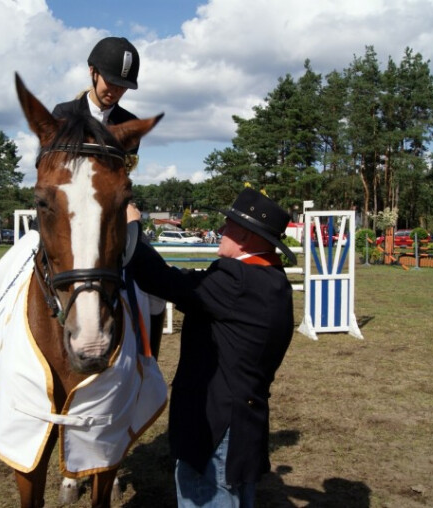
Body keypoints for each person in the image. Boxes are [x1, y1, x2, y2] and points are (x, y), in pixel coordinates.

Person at [125, 188, 295, 507]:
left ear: (245, 234)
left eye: (228, 225)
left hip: (215, 430)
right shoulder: (271, 279)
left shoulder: (237, 281)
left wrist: (132, 227)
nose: (220, 231)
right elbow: (187, 284)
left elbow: (162, 280)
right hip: (244, 425)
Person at [52, 35, 166, 356]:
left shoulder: (128, 124)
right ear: (92, 72)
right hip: (67, 215)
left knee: (155, 291)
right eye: (111, 82)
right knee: (8, 270)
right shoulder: (63, 113)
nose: (114, 91)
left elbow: (123, 178)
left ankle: (149, 363)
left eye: (122, 86)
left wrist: (128, 206)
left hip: (112, 218)